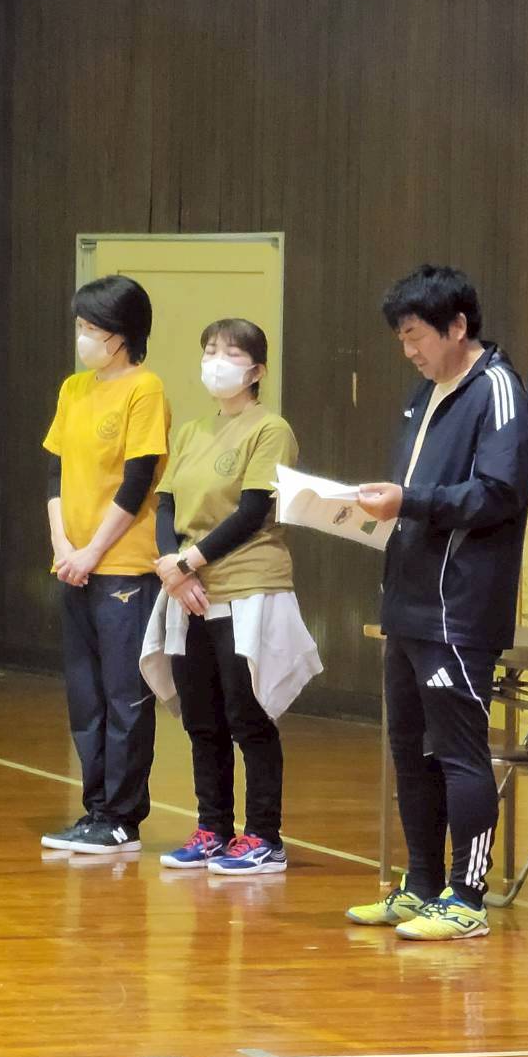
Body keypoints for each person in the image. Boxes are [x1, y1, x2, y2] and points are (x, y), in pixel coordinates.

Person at [346, 264, 528, 940]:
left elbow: (499, 493)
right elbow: (414, 493)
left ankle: (467, 896)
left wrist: (410, 501)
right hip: (408, 601)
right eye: (401, 338)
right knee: (410, 752)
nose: (408, 350)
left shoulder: (498, 390)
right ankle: (421, 884)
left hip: (459, 608)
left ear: (457, 327)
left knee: (458, 752)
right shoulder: (424, 393)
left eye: (415, 335)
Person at [154, 318, 319, 876]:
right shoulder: (191, 431)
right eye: (209, 351)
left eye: (229, 353)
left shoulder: (271, 429)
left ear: (257, 370)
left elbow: (252, 511)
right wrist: (174, 568)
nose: (215, 362)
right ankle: (213, 828)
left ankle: (265, 835)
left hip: (247, 585)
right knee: (201, 716)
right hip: (189, 590)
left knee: (249, 713)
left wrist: (188, 562)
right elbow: (166, 505)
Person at [42, 274, 170, 854]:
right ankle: (94, 809)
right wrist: (63, 546)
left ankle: (121, 817)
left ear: (121, 335)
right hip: (73, 563)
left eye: (91, 328)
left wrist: (93, 551)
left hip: (122, 566)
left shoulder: (145, 389)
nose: (83, 337)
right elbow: (54, 473)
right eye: (80, 326)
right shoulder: (73, 389)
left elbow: (138, 482)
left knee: (125, 695)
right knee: (85, 695)